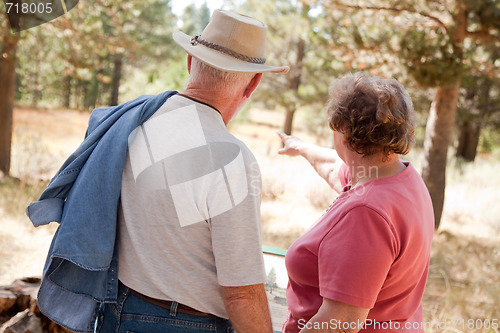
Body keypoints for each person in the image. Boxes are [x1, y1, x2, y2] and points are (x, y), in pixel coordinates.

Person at [27, 9, 288, 333]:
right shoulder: (233, 158)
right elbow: (242, 296)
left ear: (191, 63)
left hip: (113, 312)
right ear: (253, 84)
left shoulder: (131, 124)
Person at [277, 72, 434, 333]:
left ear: (345, 132)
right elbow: (334, 166)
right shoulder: (401, 179)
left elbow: (340, 322)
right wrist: (301, 147)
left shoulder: (366, 212)